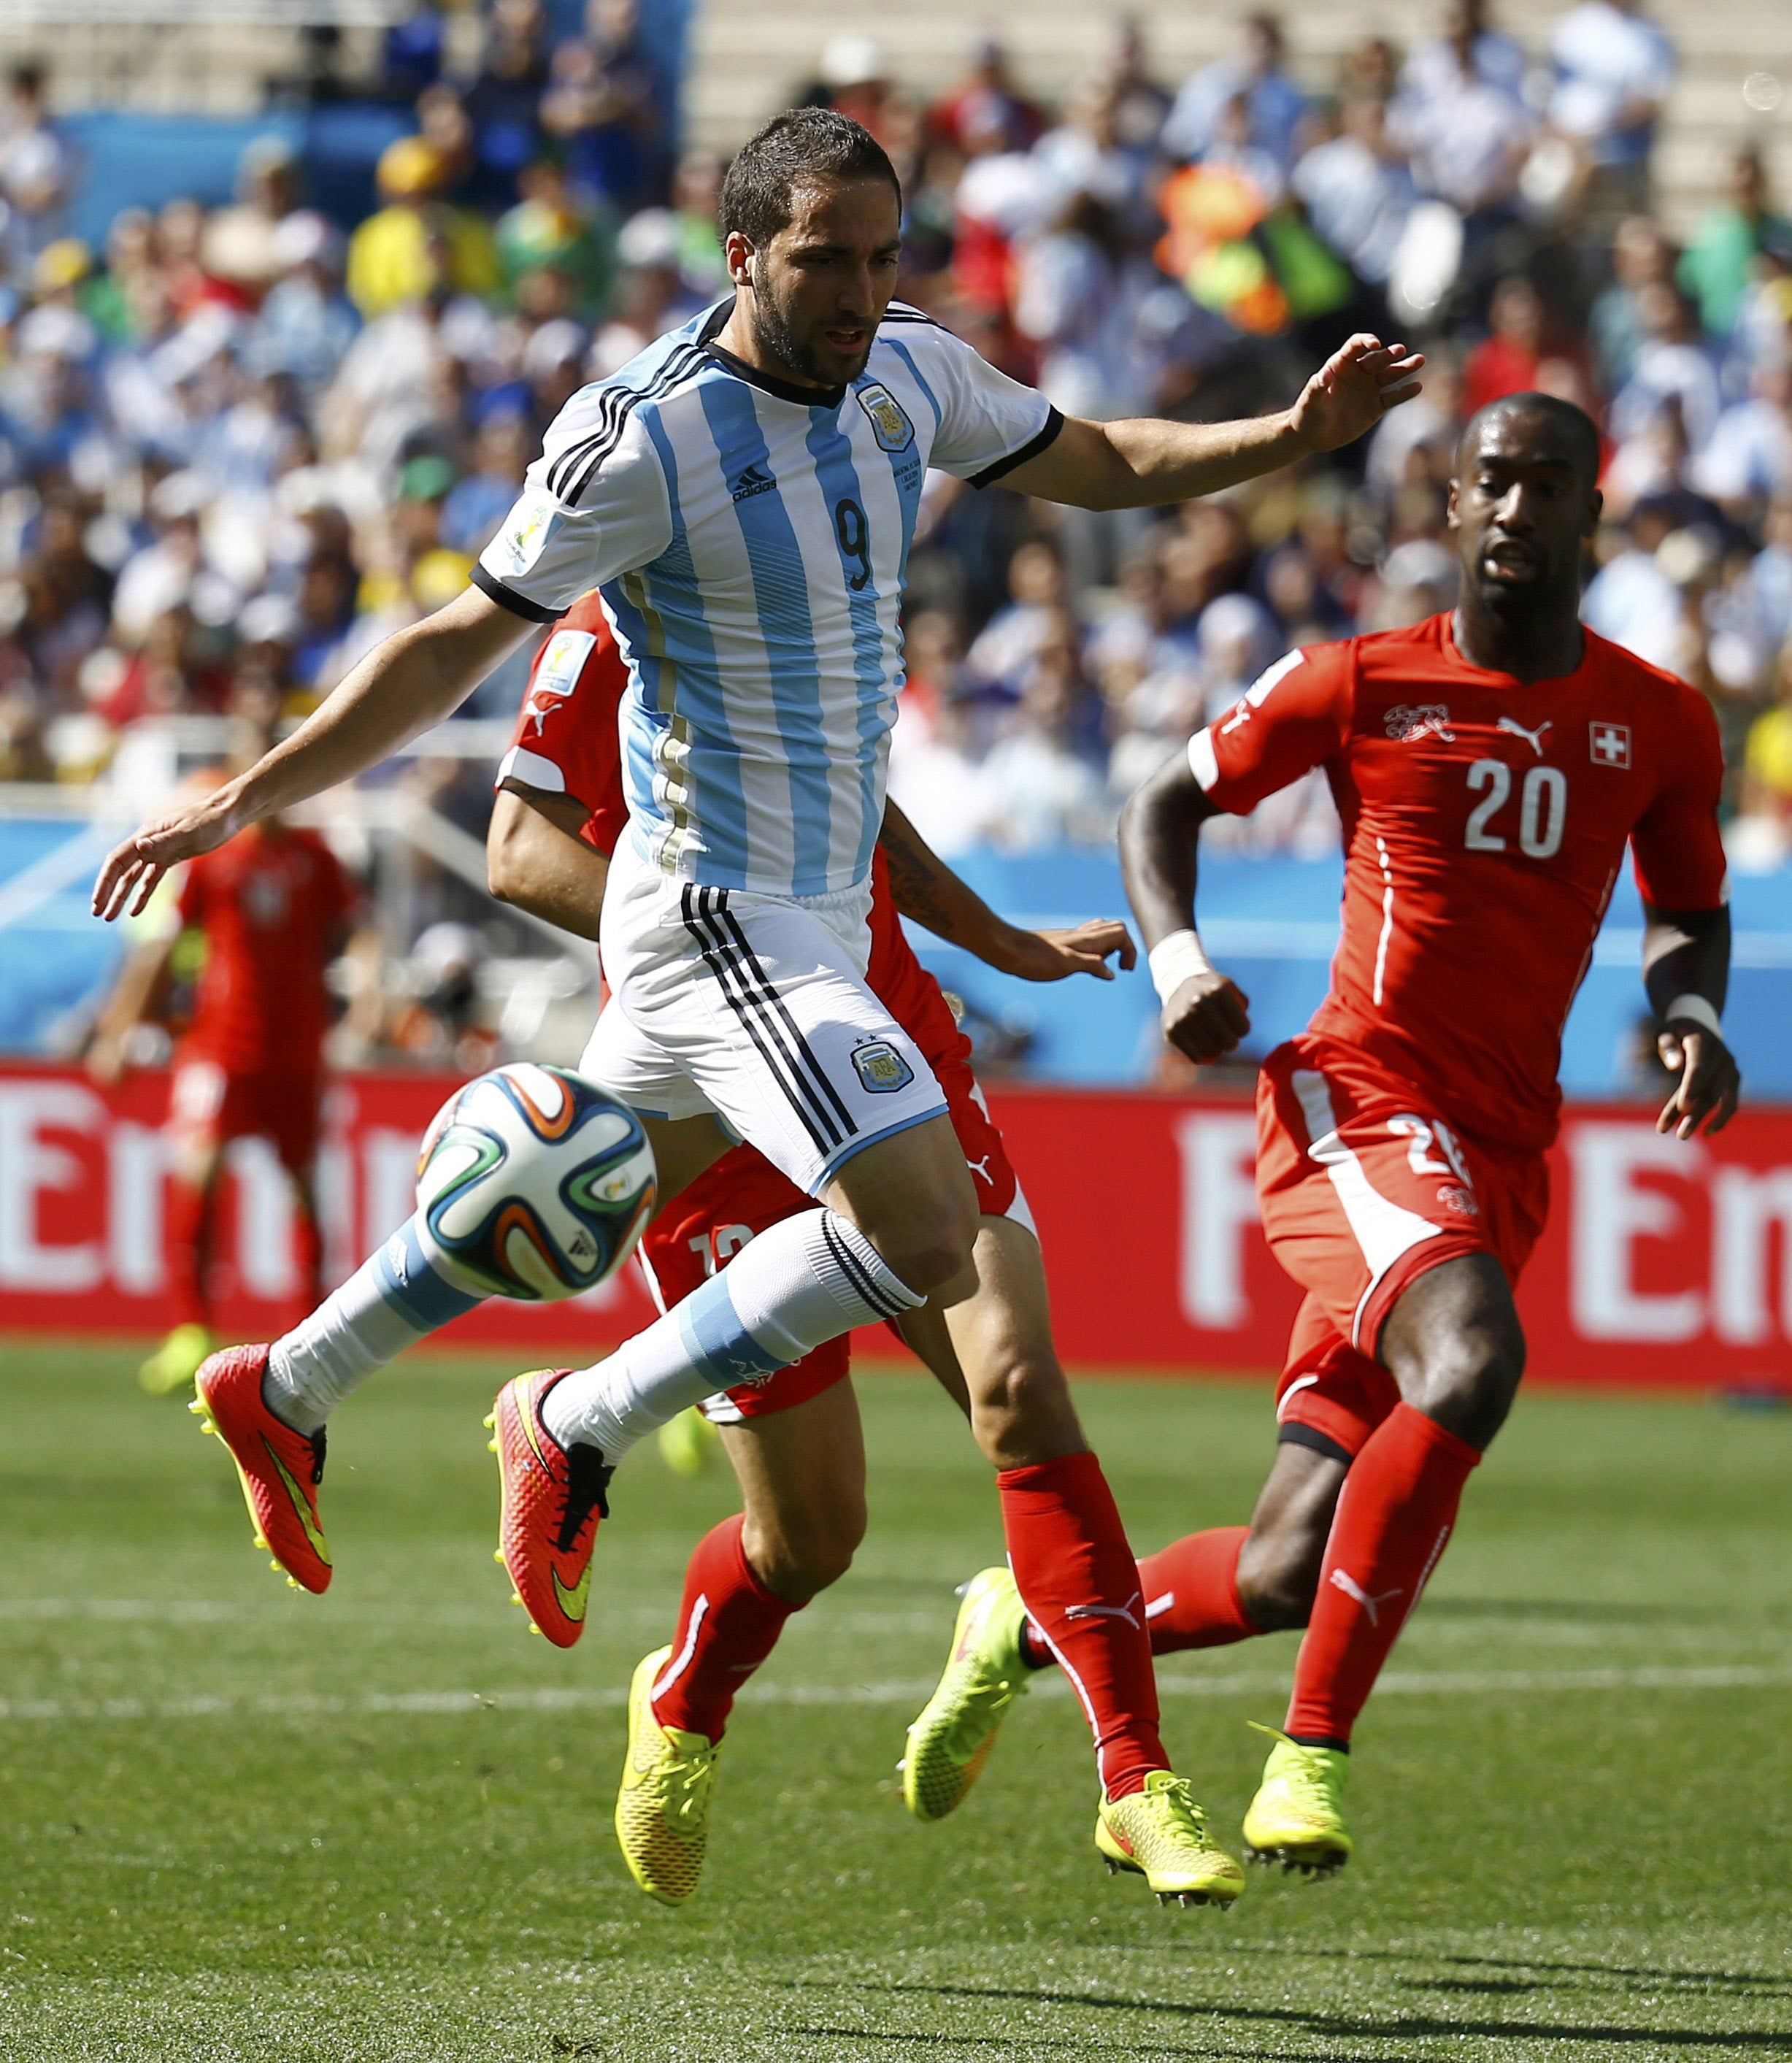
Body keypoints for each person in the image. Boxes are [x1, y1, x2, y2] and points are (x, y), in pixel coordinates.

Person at [93, 107, 1420, 1905]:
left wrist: (1285, 435)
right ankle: (568, 1422)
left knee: (571, 1186)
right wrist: (252, 787)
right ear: (743, 254)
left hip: (807, 923)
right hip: (721, 911)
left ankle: (288, 1376)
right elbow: (450, 641)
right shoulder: (641, 438)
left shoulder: (903, 382)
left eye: (883, 255)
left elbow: (1096, 455)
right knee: (922, 1220)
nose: (864, 291)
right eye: (826, 259)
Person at [899, 391, 1737, 1875]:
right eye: (1492, 481)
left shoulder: (1656, 723)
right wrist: (1179, 966)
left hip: (1499, 1152)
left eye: (1549, 484)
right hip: (1355, 1102)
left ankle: (1023, 1623)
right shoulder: (1362, 682)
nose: (1516, 508)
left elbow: (1686, 911)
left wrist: (1697, 1015)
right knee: (1471, 1361)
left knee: (1289, 1560)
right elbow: (1166, 798)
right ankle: (1310, 1757)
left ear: (1597, 518)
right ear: (1450, 506)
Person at [487, 591, 1154, 1903]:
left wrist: (998, 942)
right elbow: (519, 850)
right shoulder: (618, 609)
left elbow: (858, 826)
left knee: (1016, 1395)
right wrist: (713, 937)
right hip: (711, 1078)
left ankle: (1122, 1760)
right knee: (810, 1538)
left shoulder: (817, 568)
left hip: (876, 1055)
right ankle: (683, 1697)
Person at [87, 718, 365, 1395]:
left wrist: (368, 995)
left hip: (296, 1050)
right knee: (199, 1171)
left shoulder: (317, 858)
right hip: (218, 1047)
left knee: (302, 1183)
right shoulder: (213, 861)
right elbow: (165, 952)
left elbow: (354, 936)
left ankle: (305, 1338)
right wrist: (119, 1029)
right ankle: (191, 1330)